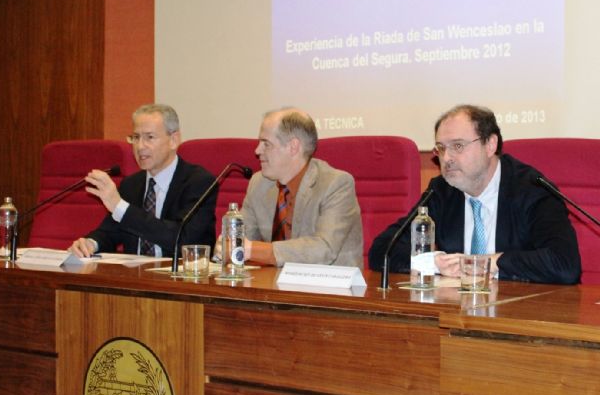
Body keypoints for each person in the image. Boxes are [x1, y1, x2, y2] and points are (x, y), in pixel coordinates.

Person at [368, 104, 581, 284]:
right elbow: (381, 251)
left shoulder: (532, 189)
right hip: (458, 312)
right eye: (441, 148)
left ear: (490, 145)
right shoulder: (442, 190)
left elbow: (565, 263)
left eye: (458, 146)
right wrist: (434, 262)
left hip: (522, 316)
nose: (447, 158)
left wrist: (487, 263)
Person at [69, 104, 216, 257]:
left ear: (173, 140)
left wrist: (119, 206)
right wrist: (90, 243)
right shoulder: (131, 184)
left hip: (177, 278)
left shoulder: (199, 182)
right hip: (134, 277)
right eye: (136, 137)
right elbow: (111, 231)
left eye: (149, 137)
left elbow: (183, 239)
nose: (139, 146)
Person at [238, 107, 363, 267]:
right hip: (272, 285)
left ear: (293, 147)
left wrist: (252, 250)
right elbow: (240, 239)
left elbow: (324, 249)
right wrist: (228, 245)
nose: (257, 151)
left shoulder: (336, 184)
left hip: (329, 287)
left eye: (266, 144)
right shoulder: (259, 183)